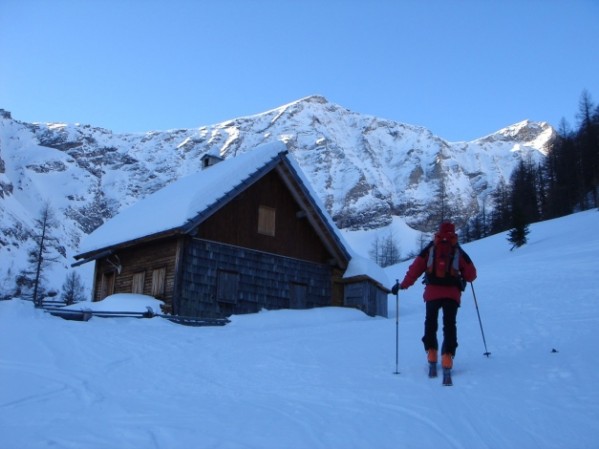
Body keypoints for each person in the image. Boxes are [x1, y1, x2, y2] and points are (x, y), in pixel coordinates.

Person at [391, 221, 477, 371]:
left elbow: (415, 269)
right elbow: (471, 275)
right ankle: (447, 357)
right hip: (452, 295)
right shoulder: (458, 250)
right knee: (449, 324)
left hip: (432, 294)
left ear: (439, 231)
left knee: (430, 322)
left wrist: (403, 285)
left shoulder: (431, 248)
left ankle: (431, 353)